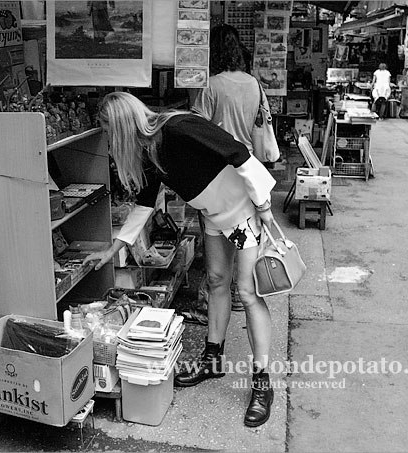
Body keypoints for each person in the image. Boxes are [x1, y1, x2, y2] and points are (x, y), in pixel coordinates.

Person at [83, 92, 278, 427]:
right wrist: (112, 250)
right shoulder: (149, 152)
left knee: (247, 293)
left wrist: (264, 207)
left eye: (107, 131)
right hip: (214, 214)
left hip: (245, 209)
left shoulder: (179, 127)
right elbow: (144, 205)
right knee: (215, 281)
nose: (109, 140)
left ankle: (262, 384)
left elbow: (239, 153)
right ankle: (212, 361)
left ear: (121, 125)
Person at [191, 24, 261, 313]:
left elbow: (197, 128)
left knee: (218, 241)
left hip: (218, 173)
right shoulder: (254, 83)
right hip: (248, 169)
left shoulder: (212, 85)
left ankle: (219, 292)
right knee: (241, 236)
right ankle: (237, 293)